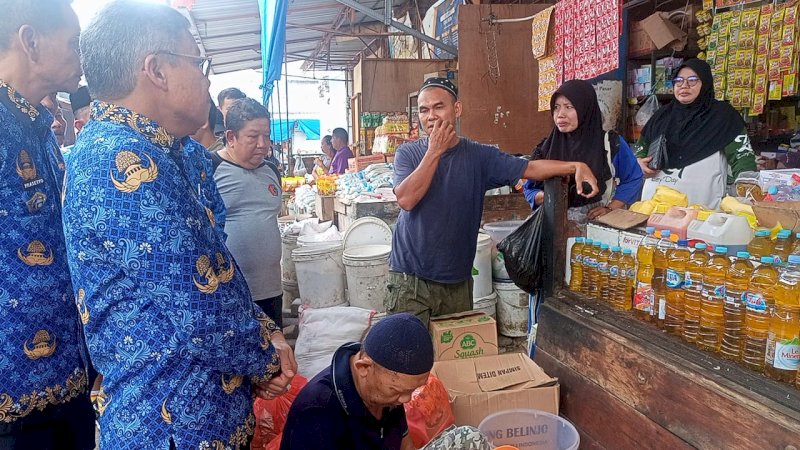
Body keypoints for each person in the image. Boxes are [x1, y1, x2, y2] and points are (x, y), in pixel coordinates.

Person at [61, 2, 295, 449]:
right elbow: (200, 305)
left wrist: (264, 334)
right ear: (157, 71)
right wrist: (267, 359)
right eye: (197, 62)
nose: (207, 80)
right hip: (171, 426)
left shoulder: (163, 149)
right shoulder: (122, 160)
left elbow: (214, 265)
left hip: (193, 419)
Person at [387, 78, 599, 326]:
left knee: (453, 361)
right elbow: (406, 199)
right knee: (405, 360)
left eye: (438, 107)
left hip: (457, 281)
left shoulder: (478, 155)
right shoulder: (408, 153)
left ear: (457, 110)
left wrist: (576, 165)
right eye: (424, 110)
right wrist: (434, 151)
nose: (430, 116)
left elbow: (529, 168)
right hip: (410, 279)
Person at [0, 0, 95, 449]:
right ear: (31, 41)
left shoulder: (37, 125)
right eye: (74, 43)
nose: (83, 57)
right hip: (13, 392)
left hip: (66, 375)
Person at [281, 313, 491, 450]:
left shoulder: (386, 393)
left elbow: (405, 445)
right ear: (364, 367)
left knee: (469, 439)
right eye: (399, 390)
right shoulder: (317, 411)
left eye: (413, 389)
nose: (406, 399)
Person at [635, 59, 757, 209]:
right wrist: (639, 162)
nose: (684, 86)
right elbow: (641, 147)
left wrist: (747, 190)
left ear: (705, 83)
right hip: (656, 207)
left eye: (692, 80)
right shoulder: (661, 116)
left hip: (702, 210)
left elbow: (742, 156)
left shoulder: (723, 116)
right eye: (679, 81)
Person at [523, 79, 643, 225]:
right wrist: (545, 196)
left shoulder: (609, 143)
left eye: (569, 107)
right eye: (556, 107)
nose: (560, 114)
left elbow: (633, 178)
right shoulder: (545, 148)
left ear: (585, 108)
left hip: (593, 230)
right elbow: (529, 189)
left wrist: (611, 208)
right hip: (550, 227)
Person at [211, 98, 284, 328]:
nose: (263, 144)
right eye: (253, 137)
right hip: (232, 295)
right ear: (231, 137)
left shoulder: (271, 169)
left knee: (276, 357)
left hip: (272, 290)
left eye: (266, 136)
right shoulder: (210, 167)